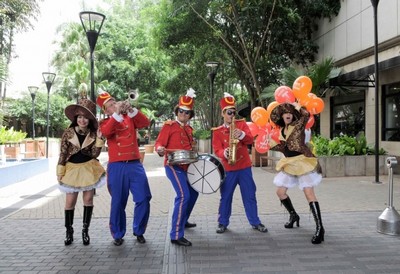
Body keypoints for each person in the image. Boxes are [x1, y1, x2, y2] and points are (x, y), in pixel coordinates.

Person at [96, 91, 152, 246]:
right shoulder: (105, 123)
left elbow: (145, 122)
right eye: (110, 105)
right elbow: (107, 132)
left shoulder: (130, 117)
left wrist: (131, 109)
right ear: (106, 111)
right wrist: (117, 114)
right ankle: (118, 233)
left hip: (134, 164)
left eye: (114, 102)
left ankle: (139, 230)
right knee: (118, 202)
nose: (115, 105)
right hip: (117, 166)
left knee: (144, 197)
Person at [212, 92, 268, 234]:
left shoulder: (241, 124)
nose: (232, 115)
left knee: (249, 195)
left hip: (244, 167)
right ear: (223, 114)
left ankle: (255, 222)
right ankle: (222, 222)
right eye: (229, 112)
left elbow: (250, 140)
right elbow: (217, 149)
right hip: (228, 168)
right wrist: (223, 153)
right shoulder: (217, 131)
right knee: (226, 197)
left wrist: (242, 134)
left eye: (233, 112)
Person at [269, 102, 324, 244]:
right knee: (280, 192)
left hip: (302, 161)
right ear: (281, 116)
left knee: (308, 193)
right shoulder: (282, 130)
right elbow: (285, 148)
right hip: (289, 162)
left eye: (290, 112)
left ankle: (320, 228)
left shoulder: (299, 124)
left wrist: (298, 107)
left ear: (293, 114)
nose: (287, 114)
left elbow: (306, 115)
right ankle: (294, 216)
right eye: (284, 113)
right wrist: (271, 144)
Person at [57, 95, 106, 246]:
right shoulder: (68, 132)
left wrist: (99, 140)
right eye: (79, 117)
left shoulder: (92, 134)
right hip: (71, 169)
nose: (82, 120)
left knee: (88, 200)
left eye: (85, 118)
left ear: (89, 120)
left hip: (88, 169)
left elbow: (94, 154)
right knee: (70, 202)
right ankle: (69, 231)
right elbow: (63, 153)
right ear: (76, 117)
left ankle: (85, 231)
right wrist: (60, 172)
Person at [155, 88, 199, 247]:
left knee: (194, 192)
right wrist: (160, 149)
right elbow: (159, 144)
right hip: (173, 165)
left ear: (190, 115)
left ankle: (183, 218)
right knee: (183, 195)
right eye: (181, 111)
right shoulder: (169, 126)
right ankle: (175, 234)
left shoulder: (189, 129)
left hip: (188, 166)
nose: (183, 114)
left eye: (187, 112)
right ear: (177, 111)